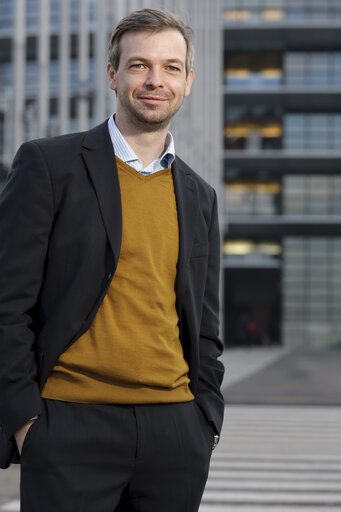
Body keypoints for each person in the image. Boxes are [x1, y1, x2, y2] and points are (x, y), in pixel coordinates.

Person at [0, 8, 225, 512]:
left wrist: (205, 421)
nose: (154, 80)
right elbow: (7, 303)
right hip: (70, 426)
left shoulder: (199, 195)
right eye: (139, 65)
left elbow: (204, 323)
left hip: (175, 434)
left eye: (170, 67)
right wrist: (25, 423)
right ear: (113, 75)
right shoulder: (48, 165)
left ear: (188, 82)